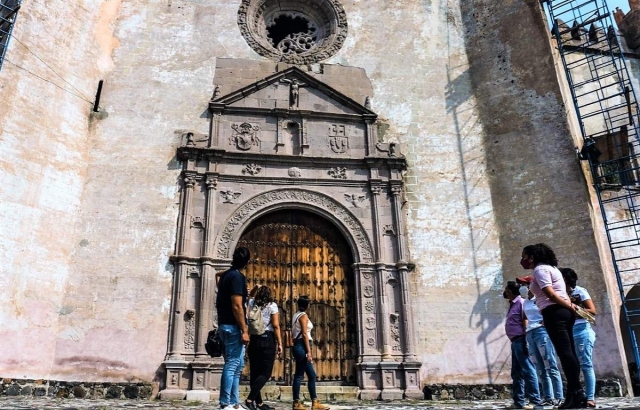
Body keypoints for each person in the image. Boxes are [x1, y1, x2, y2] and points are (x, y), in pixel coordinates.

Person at [521, 243, 585, 409]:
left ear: (533, 257)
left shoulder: (540, 270)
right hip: (561, 311)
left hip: (554, 312)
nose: (523, 260)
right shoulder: (553, 269)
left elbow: (550, 293)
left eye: (525, 256)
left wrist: (568, 305)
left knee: (565, 353)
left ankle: (577, 392)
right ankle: (573, 392)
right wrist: (568, 306)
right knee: (569, 352)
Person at [517, 275, 564, 407]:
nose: (523, 287)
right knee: (540, 367)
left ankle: (559, 396)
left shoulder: (542, 298)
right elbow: (525, 317)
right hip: (531, 333)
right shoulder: (525, 301)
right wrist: (526, 329)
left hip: (542, 332)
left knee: (550, 364)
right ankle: (548, 397)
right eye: (522, 285)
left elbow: (551, 312)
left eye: (525, 284)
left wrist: (545, 323)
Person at [216, 247, 251, 409]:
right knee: (232, 365)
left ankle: (235, 403)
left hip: (225, 325)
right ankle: (225, 403)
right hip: (233, 327)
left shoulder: (226, 276)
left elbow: (218, 275)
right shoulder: (237, 277)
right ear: (247, 262)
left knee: (237, 366)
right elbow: (237, 306)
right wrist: (244, 330)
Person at [503, 281, 546, 410]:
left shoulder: (521, 303)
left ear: (510, 291)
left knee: (528, 369)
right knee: (516, 373)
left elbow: (525, 320)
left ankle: (535, 400)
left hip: (521, 340)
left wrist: (526, 340)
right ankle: (518, 401)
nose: (504, 292)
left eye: (506, 289)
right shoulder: (513, 304)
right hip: (514, 341)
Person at [560, 268, 597, 409]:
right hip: (568, 331)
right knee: (572, 366)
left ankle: (590, 397)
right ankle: (574, 396)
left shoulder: (580, 291)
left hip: (582, 330)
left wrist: (573, 308)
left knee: (586, 364)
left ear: (566, 279)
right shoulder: (560, 295)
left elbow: (592, 311)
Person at [245, 285, 283, 410]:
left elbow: (250, 296)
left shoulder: (252, 302)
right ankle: (250, 399)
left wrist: (256, 287)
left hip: (254, 339)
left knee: (255, 373)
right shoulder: (272, 305)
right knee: (265, 373)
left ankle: (259, 403)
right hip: (267, 340)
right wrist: (280, 343)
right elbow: (276, 326)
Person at [291, 296, 330, 410]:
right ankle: (296, 403)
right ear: (307, 305)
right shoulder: (303, 316)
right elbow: (304, 334)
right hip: (302, 346)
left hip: (299, 346)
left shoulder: (295, 315)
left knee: (311, 375)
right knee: (299, 375)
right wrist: (309, 351)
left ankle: (315, 402)